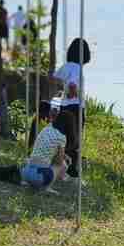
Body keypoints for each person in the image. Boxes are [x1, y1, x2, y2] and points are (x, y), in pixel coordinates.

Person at [0, 110, 74, 191]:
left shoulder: (48, 128)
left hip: (27, 170)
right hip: (39, 176)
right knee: (62, 165)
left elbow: (47, 149)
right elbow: (58, 161)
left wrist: (63, 155)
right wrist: (65, 159)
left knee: (5, 173)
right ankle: (47, 187)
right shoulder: (62, 137)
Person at [53, 38, 91, 178]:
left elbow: (54, 79)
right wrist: (71, 93)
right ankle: (71, 169)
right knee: (75, 139)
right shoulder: (77, 68)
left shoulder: (65, 66)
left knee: (64, 137)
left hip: (64, 107)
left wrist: (61, 93)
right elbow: (73, 85)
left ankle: (61, 166)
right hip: (76, 107)